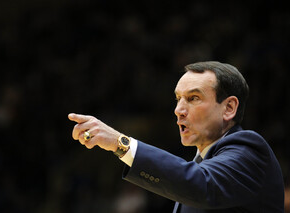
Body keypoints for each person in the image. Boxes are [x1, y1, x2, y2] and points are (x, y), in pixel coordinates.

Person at [68, 61, 284, 212]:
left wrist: (120, 143)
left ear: (229, 108)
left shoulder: (249, 149)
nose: (179, 109)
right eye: (178, 99)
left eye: (193, 98)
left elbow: (200, 183)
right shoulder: (201, 164)